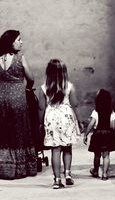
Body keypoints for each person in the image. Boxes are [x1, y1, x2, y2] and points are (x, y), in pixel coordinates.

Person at [0, 30, 38, 179]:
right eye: (19, 39)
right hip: (17, 96)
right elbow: (30, 78)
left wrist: (2, 83)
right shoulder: (20, 58)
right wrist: (26, 86)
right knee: (19, 129)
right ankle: (20, 167)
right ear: (11, 42)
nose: (22, 42)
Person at [38, 59, 81, 189]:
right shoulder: (69, 87)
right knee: (67, 148)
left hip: (51, 119)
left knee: (55, 150)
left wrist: (40, 124)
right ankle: (67, 174)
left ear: (48, 72)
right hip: (66, 118)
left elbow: (41, 108)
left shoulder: (43, 88)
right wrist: (79, 121)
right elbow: (75, 105)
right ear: (64, 72)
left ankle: (57, 180)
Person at [83, 89, 115, 181]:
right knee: (106, 155)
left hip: (97, 135)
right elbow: (113, 126)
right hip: (108, 135)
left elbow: (91, 124)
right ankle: (105, 174)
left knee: (97, 155)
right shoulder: (111, 112)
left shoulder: (96, 112)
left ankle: (95, 171)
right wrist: (113, 133)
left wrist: (86, 134)